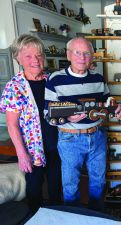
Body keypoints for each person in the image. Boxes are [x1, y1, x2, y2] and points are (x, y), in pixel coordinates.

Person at [44, 37, 121, 210]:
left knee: (98, 181)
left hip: (97, 135)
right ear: (68, 55)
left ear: (92, 56)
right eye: (77, 52)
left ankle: (96, 216)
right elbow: (47, 115)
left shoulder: (98, 78)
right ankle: (73, 219)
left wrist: (116, 107)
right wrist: (66, 118)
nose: (82, 57)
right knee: (70, 185)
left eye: (87, 53)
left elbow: (107, 103)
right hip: (69, 139)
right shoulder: (54, 79)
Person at [0, 34, 61, 213]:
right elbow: (12, 124)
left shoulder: (53, 80)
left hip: (58, 144)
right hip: (32, 149)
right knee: (34, 188)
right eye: (28, 56)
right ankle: (35, 217)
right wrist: (21, 154)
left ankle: (57, 217)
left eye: (39, 55)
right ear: (18, 58)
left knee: (57, 185)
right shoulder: (14, 87)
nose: (35, 60)